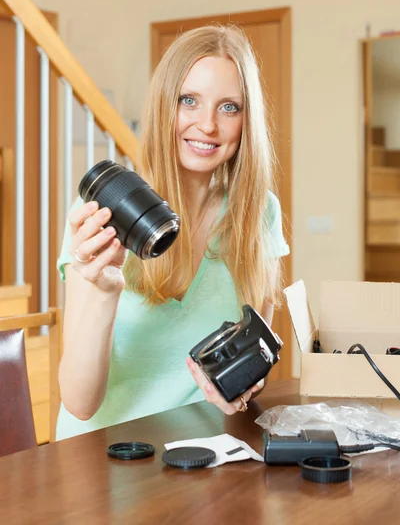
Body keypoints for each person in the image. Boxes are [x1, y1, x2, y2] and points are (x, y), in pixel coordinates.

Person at [56, 24, 290, 440]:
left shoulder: (259, 212)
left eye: (229, 107)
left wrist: (241, 386)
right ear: (166, 105)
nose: (208, 125)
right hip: (102, 459)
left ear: (246, 119)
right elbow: (79, 402)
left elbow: (256, 358)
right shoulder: (101, 212)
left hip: (205, 454)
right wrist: (106, 289)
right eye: (189, 101)